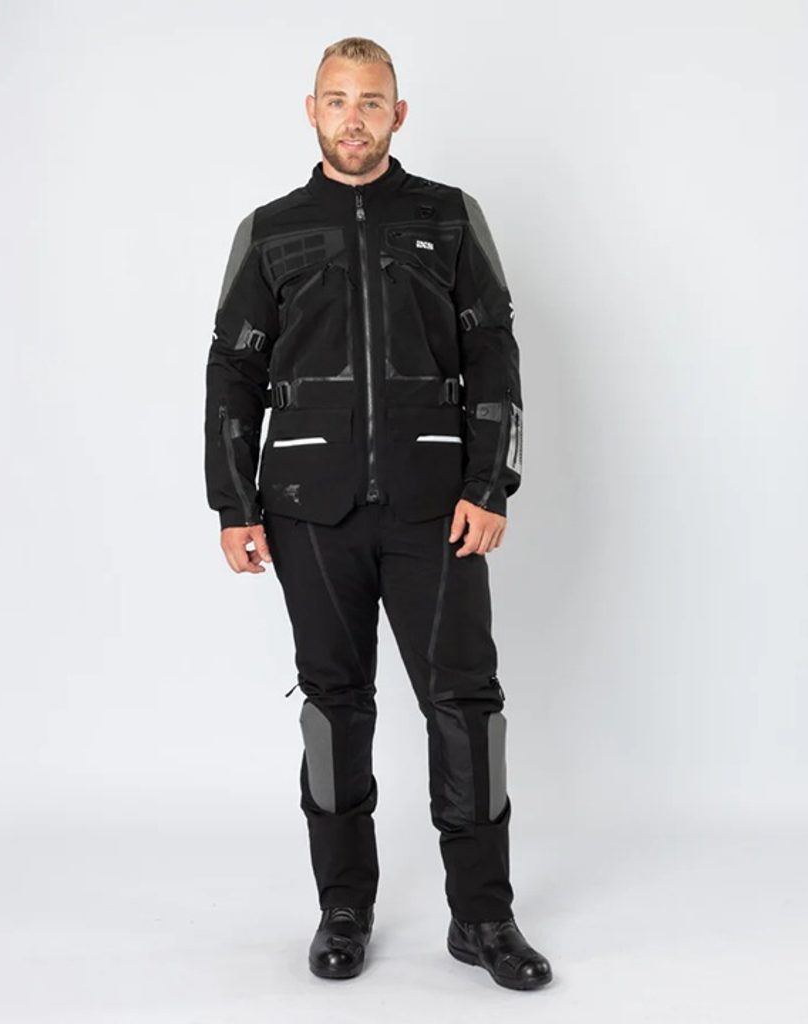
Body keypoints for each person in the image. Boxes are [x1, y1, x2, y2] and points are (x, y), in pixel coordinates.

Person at [203, 36, 551, 991]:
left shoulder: (449, 217)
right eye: (337, 100)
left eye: (370, 102)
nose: (352, 118)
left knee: (466, 709)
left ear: (398, 114)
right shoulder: (269, 231)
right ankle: (343, 908)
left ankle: (483, 917)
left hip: (436, 507)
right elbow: (232, 370)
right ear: (311, 110)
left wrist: (490, 485)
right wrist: (234, 503)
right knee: (333, 709)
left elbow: (495, 355)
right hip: (308, 511)